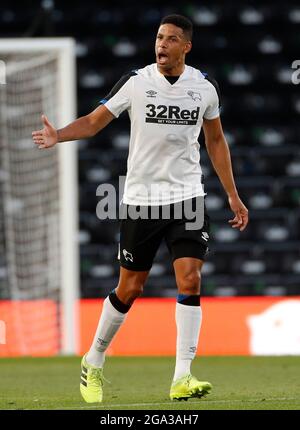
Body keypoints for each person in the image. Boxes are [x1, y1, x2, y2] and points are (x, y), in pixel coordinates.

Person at [32, 14, 248, 403]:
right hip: (139, 201)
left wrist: (232, 194)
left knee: (191, 281)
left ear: (187, 47)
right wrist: (59, 135)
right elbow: (96, 122)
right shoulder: (136, 82)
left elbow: (216, 142)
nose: (162, 44)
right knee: (130, 288)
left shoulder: (204, 88)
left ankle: (182, 376)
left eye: (171, 39)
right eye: (159, 37)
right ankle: (94, 359)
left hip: (188, 198)